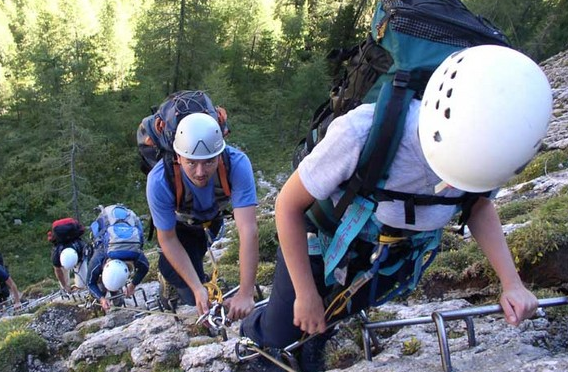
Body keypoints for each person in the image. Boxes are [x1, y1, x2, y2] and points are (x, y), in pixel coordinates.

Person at [240, 45, 550, 370]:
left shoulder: (495, 148)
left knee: (327, 320)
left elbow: (478, 207)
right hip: (322, 242)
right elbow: (287, 206)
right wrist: (304, 294)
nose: (455, 184)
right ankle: (253, 332)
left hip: (388, 260)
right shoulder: (362, 132)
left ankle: (314, 341)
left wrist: (512, 284)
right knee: (282, 329)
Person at [146, 112, 259, 320]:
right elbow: (168, 239)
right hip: (181, 229)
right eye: (191, 163)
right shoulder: (160, 180)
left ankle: (201, 279)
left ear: (219, 154)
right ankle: (180, 284)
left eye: (208, 162)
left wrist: (246, 292)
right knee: (188, 290)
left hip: (212, 222)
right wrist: (198, 288)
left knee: (196, 260)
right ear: (178, 157)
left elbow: (248, 230)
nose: (200, 172)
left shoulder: (237, 164)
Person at [87, 204, 150, 312]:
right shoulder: (100, 255)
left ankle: (115, 303)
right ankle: (114, 302)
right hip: (108, 230)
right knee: (98, 281)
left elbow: (89, 283)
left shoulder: (134, 253)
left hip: (121, 228)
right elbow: (90, 283)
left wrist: (132, 286)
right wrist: (102, 298)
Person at [48, 218, 89, 293]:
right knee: (65, 286)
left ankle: (80, 287)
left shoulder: (81, 247)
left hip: (78, 254)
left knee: (83, 285)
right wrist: (65, 285)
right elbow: (57, 270)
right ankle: (65, 289)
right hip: (65, 254)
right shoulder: (57, 254)